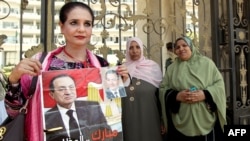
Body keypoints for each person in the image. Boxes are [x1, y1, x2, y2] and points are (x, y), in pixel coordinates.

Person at [4, 2, 129, 141]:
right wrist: (14, 80)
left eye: (87, 24)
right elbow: (13, 112)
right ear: (62, 26)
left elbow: (112, 112)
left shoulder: (101, 65)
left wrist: (121, 82)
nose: (81, 29)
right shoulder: (39, 63)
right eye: (74, 23)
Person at [159, 36, 227, 141]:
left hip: (205, 118)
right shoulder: (172, 68)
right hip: (181, 120)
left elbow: (219, 84)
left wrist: (205, 94)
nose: (181, 49)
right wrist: (177, 96)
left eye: (184, 45)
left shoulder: (207, 64)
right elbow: (163, 89)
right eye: (177, 47)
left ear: (191, 47)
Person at [45, 74, 111, 141]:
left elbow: (106, 132)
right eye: (61, 89)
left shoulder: (92, 107)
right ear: (52, 95)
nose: (68, 92)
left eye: (71, 87)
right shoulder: (46, 118)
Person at [122, 37, 163, 141]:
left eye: (137, 47)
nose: (134, 51)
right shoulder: (122, 70)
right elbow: (114, 95)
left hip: (150, 118)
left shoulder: (153, 68)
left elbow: (161, 96)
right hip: (128, 118)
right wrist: (122, 81)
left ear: (142, 49)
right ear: (127, 50)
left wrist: (164, 120)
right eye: (131, 48)